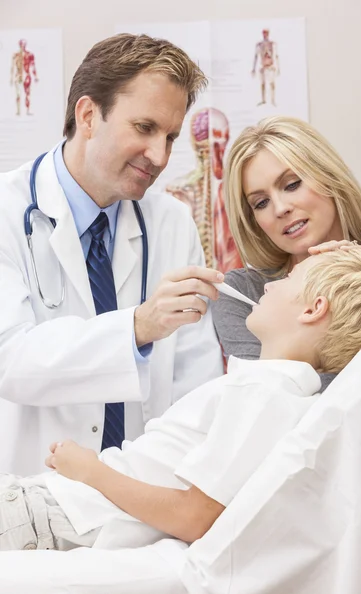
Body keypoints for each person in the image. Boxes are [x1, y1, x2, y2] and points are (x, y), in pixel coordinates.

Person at [0, 247, 361, 594]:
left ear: (313, 308)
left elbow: (195, 516)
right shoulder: (270, 390)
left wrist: (91, 471)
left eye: (288, 279)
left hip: (51, 515)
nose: (270, 285)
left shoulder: (266, 394)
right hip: (49, 509)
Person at [0, 33, 225, 476]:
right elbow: (10, 360)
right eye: (145, 128)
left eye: (171, 136)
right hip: (27, 495)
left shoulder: (172, 223)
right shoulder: (6, 212)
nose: (159, 156)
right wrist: (139, 327)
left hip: (142, 503)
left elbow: (196, 388)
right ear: (88, 115)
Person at [212, 116, 361, 390]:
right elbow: (261, 393)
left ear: (329, 177)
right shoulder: (244, 294)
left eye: (291, 185)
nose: (280, 208)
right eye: (261, 202)